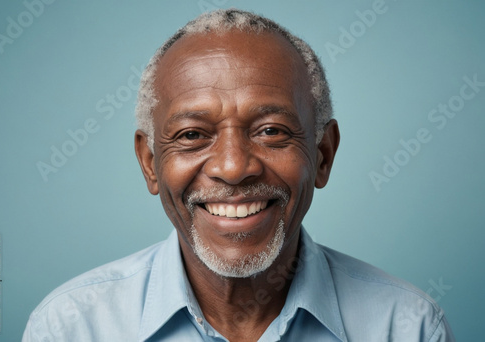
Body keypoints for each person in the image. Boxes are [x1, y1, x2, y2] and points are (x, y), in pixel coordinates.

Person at [23, 9, 454, 342]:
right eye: (192, 134)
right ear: (149, 162)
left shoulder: (407, 325)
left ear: (323, 155)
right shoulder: (70, 326)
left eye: (271, 131)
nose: (233, 168)